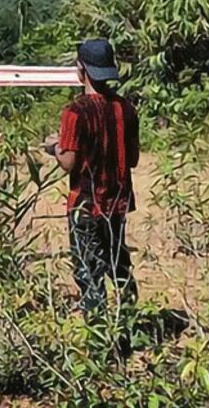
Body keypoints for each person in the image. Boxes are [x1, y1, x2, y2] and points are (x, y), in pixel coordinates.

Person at [43, 38, 140, 314]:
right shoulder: (126, 109)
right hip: (117, 203)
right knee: (118, 265)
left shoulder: (75, 112)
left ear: (80, 69)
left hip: (85, 205)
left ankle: (99, 338)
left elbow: (69, 163)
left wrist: (55, 147)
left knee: (89, 273)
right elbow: (132, 159)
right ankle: (128, 323)